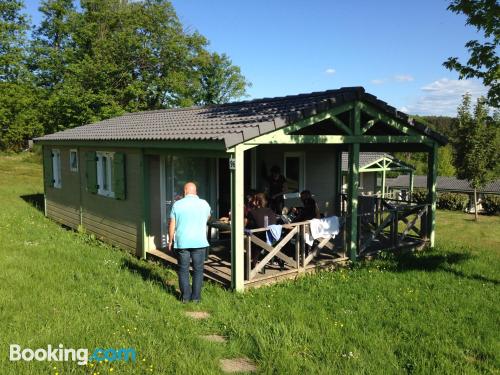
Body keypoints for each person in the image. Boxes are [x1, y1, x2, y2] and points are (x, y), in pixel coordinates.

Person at [167, 182, 211, 303]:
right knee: (198, 270)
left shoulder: (177, 205)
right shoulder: (204, 204)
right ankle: (196, 298)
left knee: (183, 269)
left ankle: (185, 297)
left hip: (182, 242)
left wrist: (170, 240)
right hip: (200, 242)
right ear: (195, 192)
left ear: (185, 191)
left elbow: (172, 224)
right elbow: (207, 217)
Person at [246, 193, 276, 270]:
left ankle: (254, 263)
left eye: (253, 199)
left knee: (249, 238)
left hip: (258, 238)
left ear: (257, 201)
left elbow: (248, 226)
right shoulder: (270, 211)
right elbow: (273, 223)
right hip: (271, 237)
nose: (252, 201)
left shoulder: (252, 212)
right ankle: (258, 261)